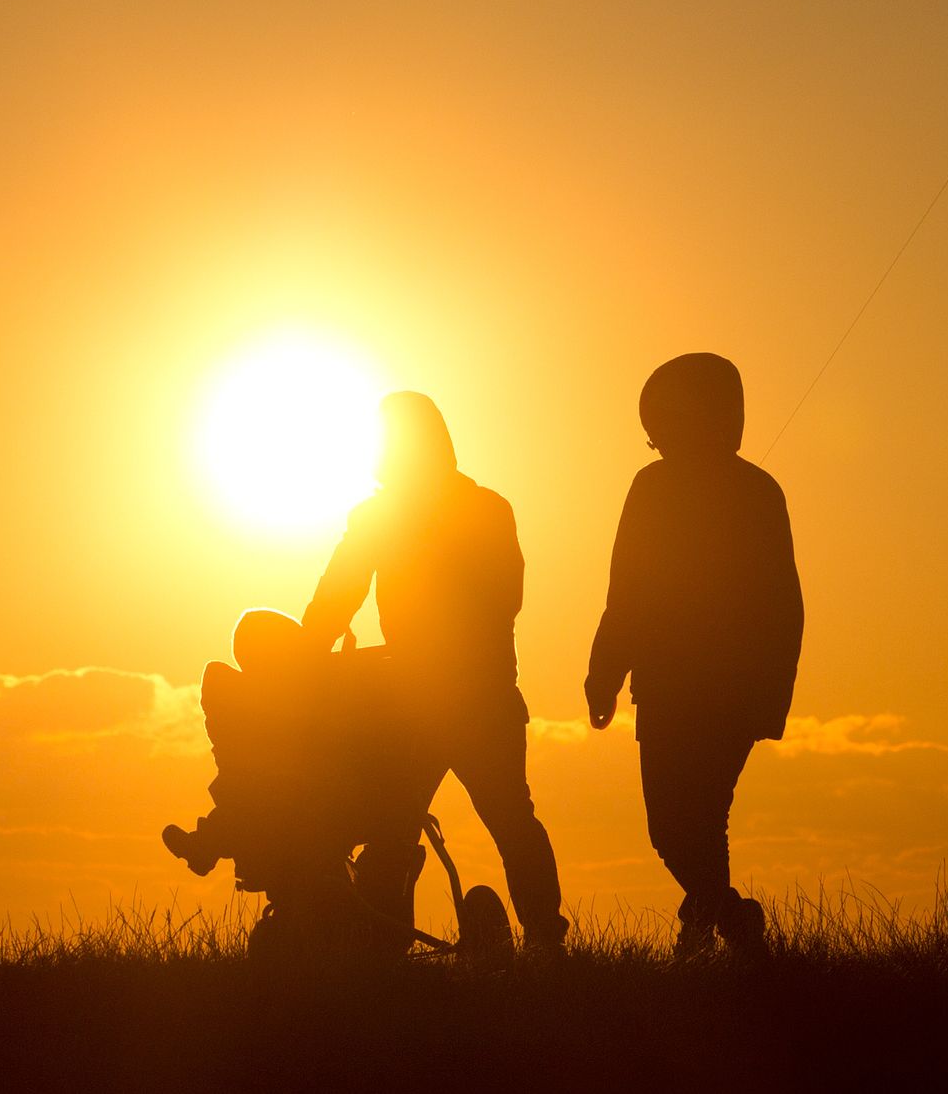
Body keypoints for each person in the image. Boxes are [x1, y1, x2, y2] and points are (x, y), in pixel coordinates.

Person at [303, 391, 570, 950]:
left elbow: (337, 596)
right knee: (498, 821)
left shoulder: (400, 515)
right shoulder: (481, 508)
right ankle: (543, 940)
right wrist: (307, 648)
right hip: (460, 695)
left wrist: (303, 655)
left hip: (448, 696)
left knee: (401, 825)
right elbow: (338, 595)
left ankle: (389, 947)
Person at [585, 353, 804, 956]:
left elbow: (783, 605)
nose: (654, 443)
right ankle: (713, 921)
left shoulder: (752, 493)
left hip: (720, 694)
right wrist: (605, 674)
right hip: (668, 689)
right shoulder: (660, 487)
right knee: (684, 826)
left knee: (689, 824)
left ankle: (725, 922)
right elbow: (628, 589)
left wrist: (770, 699)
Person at [161, 607, 311, 877]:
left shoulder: (283, 699)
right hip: (266, 790)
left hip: (281, 793)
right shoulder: (245, 698)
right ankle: (205, 847)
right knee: (251, 802)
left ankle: (204, 847)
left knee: (249, 804)